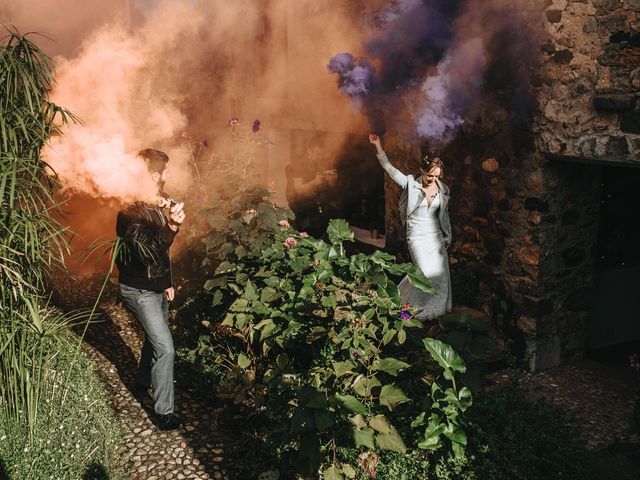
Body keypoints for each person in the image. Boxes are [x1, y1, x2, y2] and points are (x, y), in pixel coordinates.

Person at [115, 148, 186, 431]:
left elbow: (162, 255)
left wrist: (167, 282)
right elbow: (147, 253)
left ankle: (142, 383)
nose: (169, 175)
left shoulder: (158, 199)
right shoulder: (129, 210)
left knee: (155, 340)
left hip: (157, 286)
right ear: (155, 174)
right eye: (165, 170)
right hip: (139, 290)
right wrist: (171, 226)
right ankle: (164, 413)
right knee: (166, 349)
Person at [369, 134, 452, 320]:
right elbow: (390, 169)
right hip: (416, 235)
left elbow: (444, 216)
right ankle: (411, 307)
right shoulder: (410, 183)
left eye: (437, 176)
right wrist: (378, 146)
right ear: (422, 170)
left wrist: (448, 235)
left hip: (436, 236)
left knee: (440, 274)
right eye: (430, 175)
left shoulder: (443, 189)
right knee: (423, 271)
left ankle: (434, 310)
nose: (432, 179)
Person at [285, 144, 341, 238]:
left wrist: (332, 180)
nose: (319, 157)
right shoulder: (299, 166)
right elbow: (299, 190)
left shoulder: (319, 165)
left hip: (315, 210)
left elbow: (327, 188)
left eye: (321, 154)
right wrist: (315, 182)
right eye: (317, 153)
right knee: (302, 240)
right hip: (299, 210)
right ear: (309, 151)